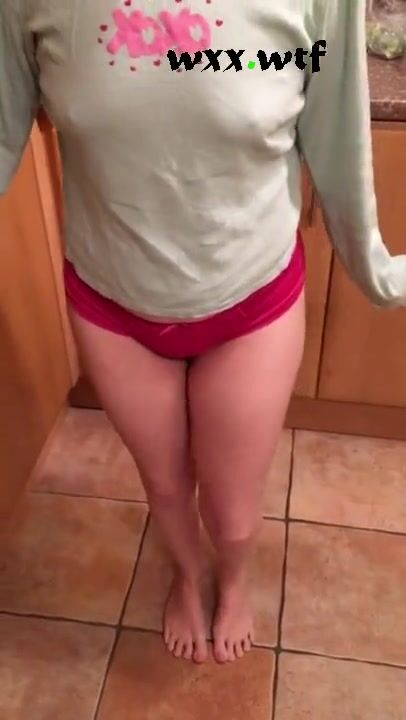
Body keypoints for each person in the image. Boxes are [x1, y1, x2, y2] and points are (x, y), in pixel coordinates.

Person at [1, 0, 405, 665]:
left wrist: (379, 273)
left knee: (235, 517)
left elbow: (339, 144)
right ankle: (188, 578)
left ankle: (234, 579)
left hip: (251, 301)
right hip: (112, 301)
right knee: (165, 490)